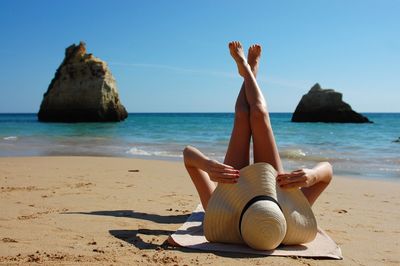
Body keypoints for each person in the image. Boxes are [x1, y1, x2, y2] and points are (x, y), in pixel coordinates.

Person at [183, 41, 332, 210]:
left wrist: (207, 165)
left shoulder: (219, 209)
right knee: (258, 113)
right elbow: (328, 171)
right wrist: (313, 175)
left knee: (243, 114)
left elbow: (188, 154)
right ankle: (249, 70)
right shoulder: (290, 213)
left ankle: (249, 70)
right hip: (275, 195)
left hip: (234, 193)